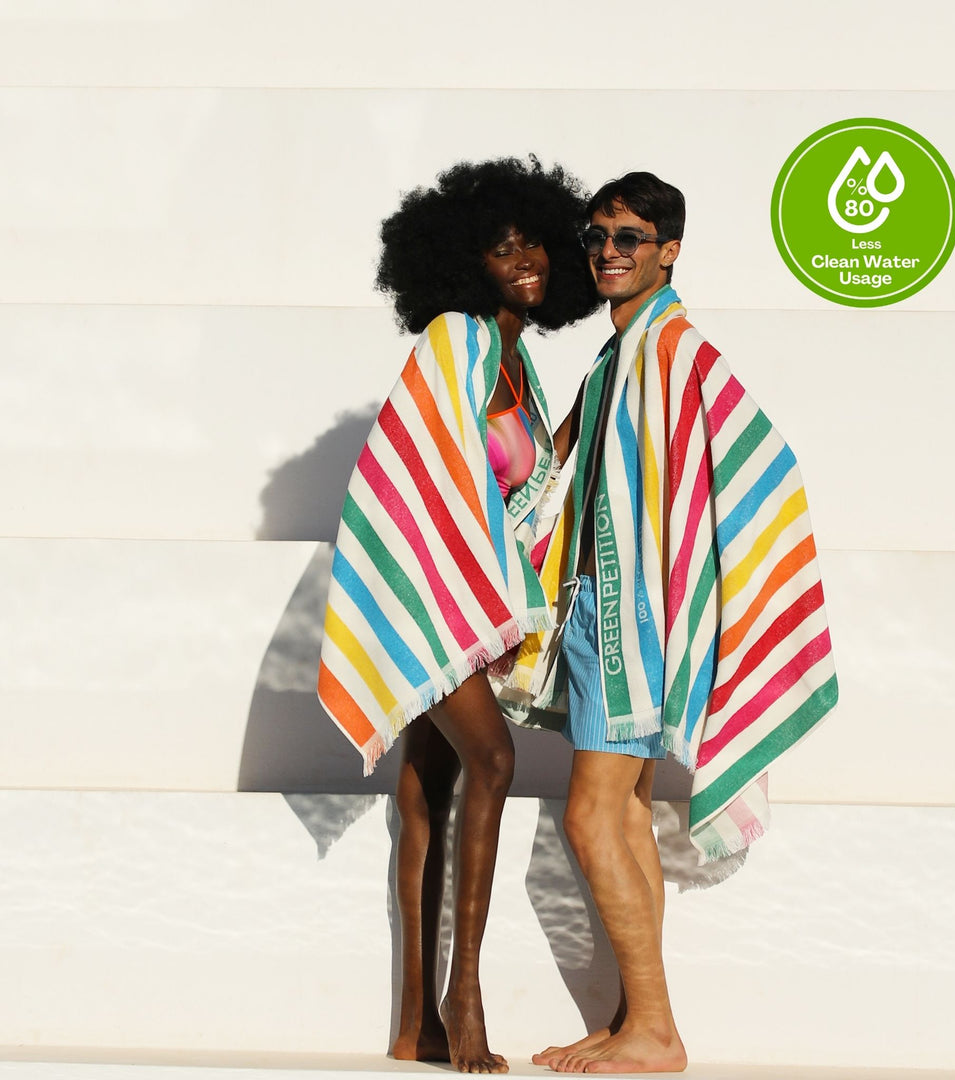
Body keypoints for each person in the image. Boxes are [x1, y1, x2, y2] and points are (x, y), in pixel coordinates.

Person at [523, 173, 838, 1073]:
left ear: (668, 249)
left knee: (590, 816)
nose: (609, 251)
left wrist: (693, 582)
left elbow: (763, 465)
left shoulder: (675, 350)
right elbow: (573, 476)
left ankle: (656, 1032)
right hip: (594, 614)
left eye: (629, 236)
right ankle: (634, 1023)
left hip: (635, 626)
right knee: (617, 814)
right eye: (596, 236)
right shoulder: (618, 353)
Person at [317, 157, 599, 1074]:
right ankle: (461, 995)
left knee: (429, 786)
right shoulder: (457, 340)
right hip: (429, 592)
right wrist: (475, 594)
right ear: (463, 262)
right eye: (500, 246)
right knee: (496, 758)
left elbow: (515, 491)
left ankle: (413, 1026)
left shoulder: (517, 364)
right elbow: (418, 481)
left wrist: (590, 412)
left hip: (457, 592)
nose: (523, 259)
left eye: (533, 243)